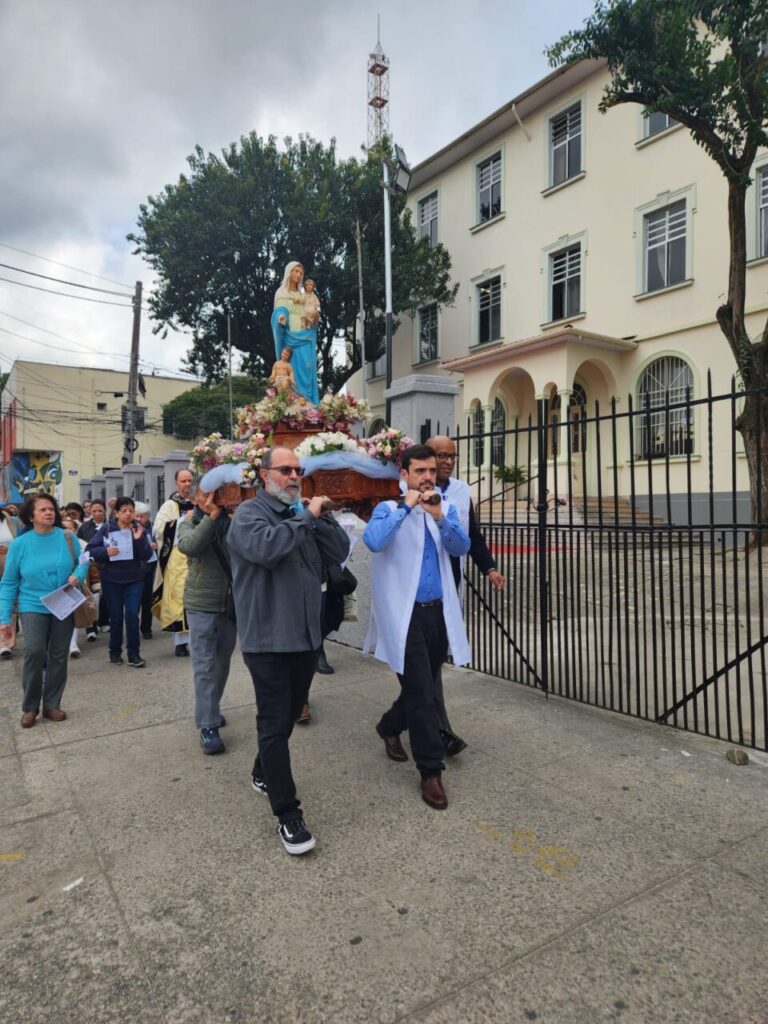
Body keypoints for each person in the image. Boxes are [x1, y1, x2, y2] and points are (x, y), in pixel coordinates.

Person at [227, 446, 349, 855]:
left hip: (306, 637)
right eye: (285, 470)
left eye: (298, 469)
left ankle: (262, 769)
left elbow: (340, 551)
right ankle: (288, 813)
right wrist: (305, 517)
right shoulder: (249, 515)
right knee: (273, 721)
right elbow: (267, 549)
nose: (294, 476)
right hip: (267, 641)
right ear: (264, 475)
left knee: (289, 717)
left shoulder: (303, 514)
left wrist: (323, 516)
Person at [363, 445, 471, 811]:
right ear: (404, 474)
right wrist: (408, 506)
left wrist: (440, 517)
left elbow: (461, 547)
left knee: (419, 686)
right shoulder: (388, 508)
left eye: (431, 471)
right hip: (403, 616)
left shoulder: (445, 508)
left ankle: (389, 726)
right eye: (420, 471)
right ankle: (430, 770)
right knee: (423, 693)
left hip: (437, 613)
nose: (428, 477)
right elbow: (374, 541)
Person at [426, 434, 506, 756]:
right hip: (422, 589)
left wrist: (490, 568)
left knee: (431, 662)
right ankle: (441, 731)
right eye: (441, 455)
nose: (448, 461)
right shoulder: (410, 489)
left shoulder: (461, 491)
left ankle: (393, 724)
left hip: (451, 586)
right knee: (428, 664)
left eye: (452, 456)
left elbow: (472, 535)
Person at [0, 494, 88, 728]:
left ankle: (52, 704)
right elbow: (8, 583)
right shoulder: (20, 544)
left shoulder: (67, 537)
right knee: (35, 651)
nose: (49, 512)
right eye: (43, 510)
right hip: (32, 604)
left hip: (63, 603)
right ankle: (30, 707)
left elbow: (83, 562)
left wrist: (77, 576)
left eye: (51, 509)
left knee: (59, 654)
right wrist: (4, 618)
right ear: (31, 516)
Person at [177, 488, 238, 755]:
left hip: (230, 603)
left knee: (222, 663)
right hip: (201, 603)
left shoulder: (233, 521)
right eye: (206, 494)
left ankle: (211, 708)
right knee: (204, 666)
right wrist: (211, 518)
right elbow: (189, 546)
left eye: (217, 493)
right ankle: (208, 725)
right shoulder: (188, 523)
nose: (213, 499)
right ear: (194, 498)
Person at [86, 496, 152, 667]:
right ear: (116, 513)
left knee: (132, 616)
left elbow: (147, 555)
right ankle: (115, 652)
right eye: (124, 511)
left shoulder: (139, 529)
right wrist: (106, 551)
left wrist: (139, 539)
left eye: (131, 510)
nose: (128, 514)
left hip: (134, 579)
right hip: (111, 579)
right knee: (115, 617)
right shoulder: (107, 528)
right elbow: (90, 550)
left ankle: (134, 654)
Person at [152, 468, 194, 656]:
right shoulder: (169, 505)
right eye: (183, 481)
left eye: (190, 480)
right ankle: (181, 642)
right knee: (179, 598)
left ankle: (198, 639)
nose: (187, 484)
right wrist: (183, 520)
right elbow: (158, 529)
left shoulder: (200, 501)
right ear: (176, 483)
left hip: (197, 555)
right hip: (177, 558)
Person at [271, 260, 319, 404]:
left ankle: (309, 405)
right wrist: (281, 316)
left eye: (301, 273)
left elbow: (311, 314)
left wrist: (315, 316)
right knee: (290, 373)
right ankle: (293, 404)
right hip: (289, 339)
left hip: (305, 336)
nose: (299, 275)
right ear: (289, 272)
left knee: (307, 367)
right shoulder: (281, 293)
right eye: (296, 271)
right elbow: (278, 312)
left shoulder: (303, 296)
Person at [78, 499, 107, 642]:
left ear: (105, 511)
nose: (97, 513)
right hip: (90, 567)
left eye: (100, 510)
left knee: (105, 595)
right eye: (94, 511)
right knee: (92, 596)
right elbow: (80, 544)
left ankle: (104, 621)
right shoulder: (84, 527)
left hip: (106, 564)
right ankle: (91, 627)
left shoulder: (110, 525)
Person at [61, 516, 87, 658]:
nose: (66, 531)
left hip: (73, 583)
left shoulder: (80, 543)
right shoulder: (56, 541)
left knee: (73, 611)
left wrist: (78, 575)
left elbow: (84, 561)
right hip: (56, 586)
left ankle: (72, 643)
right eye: (63, 527)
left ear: (75, 530)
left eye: (69, 528)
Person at [0, 503, 21, 658]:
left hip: (10, 565)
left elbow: (22, 540)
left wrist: (10, 548)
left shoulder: (12, 521)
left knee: (10, 604)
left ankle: (6, 643)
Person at [134, 502, 157, 640]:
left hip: (150, 568)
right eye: (137, 516)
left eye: (142, 516)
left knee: (147, 600)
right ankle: (133, 628)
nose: (139, 519)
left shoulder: (154, 528)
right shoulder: (131, 528)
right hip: (136, 568)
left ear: (148, 517)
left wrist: (156, 545)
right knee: (135, 600)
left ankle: (146, 628)